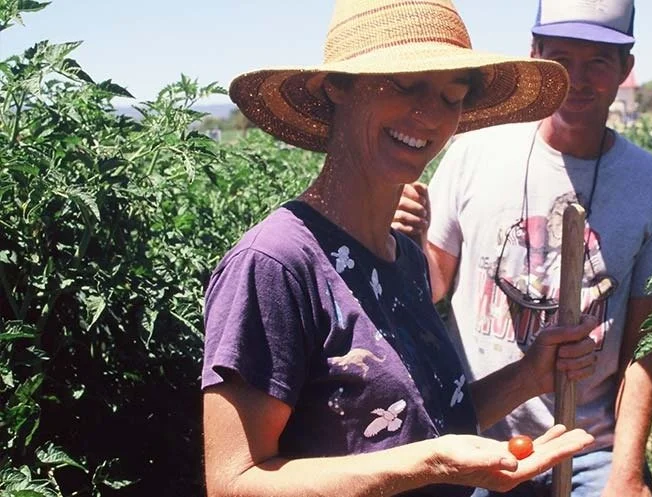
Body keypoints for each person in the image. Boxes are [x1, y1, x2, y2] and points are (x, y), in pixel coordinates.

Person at [200, 1, 602, 497]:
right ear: (337, 87)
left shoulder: (404, 260)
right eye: (405, 86)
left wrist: (528, 375)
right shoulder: (276, 264)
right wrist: (425, 464)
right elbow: (233, 481)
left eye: (451, 97)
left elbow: (419, 418)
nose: (431, 115)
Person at [392, 0, 652, 496]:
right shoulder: (474, 152)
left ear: (625, 69)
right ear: (534, 57)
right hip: (476, 438)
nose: (578, 78)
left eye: (598, 60)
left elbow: (645, 345)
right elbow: (433, 288)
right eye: (560, 60)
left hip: (587, 447)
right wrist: (409, 239)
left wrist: (627, 472)